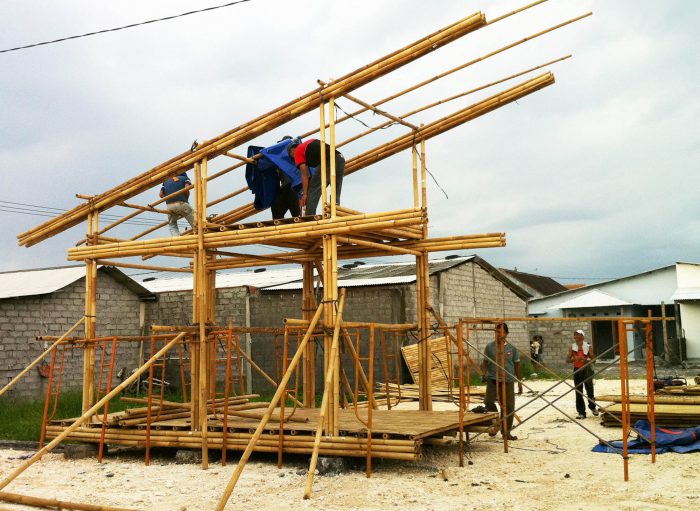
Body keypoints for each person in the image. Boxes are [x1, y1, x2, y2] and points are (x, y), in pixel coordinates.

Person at [481, 323, 522, 440]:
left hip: (507, 380)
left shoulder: (512, 348)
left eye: (500, 332)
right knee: (488, 402)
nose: (498, 334)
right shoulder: (489, 347)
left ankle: (506, 432)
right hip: (492, 379)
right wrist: (483, 374)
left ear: (506, 333)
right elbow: (485, 362)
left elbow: (517, 365)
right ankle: (496, 424)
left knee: (509, 407)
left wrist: (519, 382)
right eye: (496, 332)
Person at [287, 138, 345, 215]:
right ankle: (335, 213)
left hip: (329, 160)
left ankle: (310, 215)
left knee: (313, 188)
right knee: (335, 189)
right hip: (340, 158)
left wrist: (305, 194)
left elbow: (304, 175)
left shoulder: (297, 152)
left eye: (292, 157)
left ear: (291, 151)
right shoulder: (309, 142)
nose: (294, 159)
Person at [567, 329, 598, 419]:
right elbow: (568, 360)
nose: (575, 336)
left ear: (582, 336)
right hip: (577, 370)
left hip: (587, 370)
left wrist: (586, 360)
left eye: (577, 335)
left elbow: (594, 360)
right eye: (575, 335)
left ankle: (592, 407)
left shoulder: (588, 347)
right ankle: (581, 412)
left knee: (590, 390)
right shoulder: (572, 347)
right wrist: (575, 359)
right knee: (578, 391)